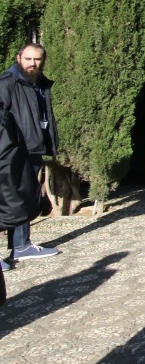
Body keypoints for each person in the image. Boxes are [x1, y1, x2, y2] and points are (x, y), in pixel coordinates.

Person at [0, 43, 60, 271]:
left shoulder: (40, 84)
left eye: (37, 59)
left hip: (32, 149)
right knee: (4, 198)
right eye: (28, 59)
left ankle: (21, 245)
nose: (32, 63)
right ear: (18, 58)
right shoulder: (6, 84)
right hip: (11, 152)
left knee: (23, 197)